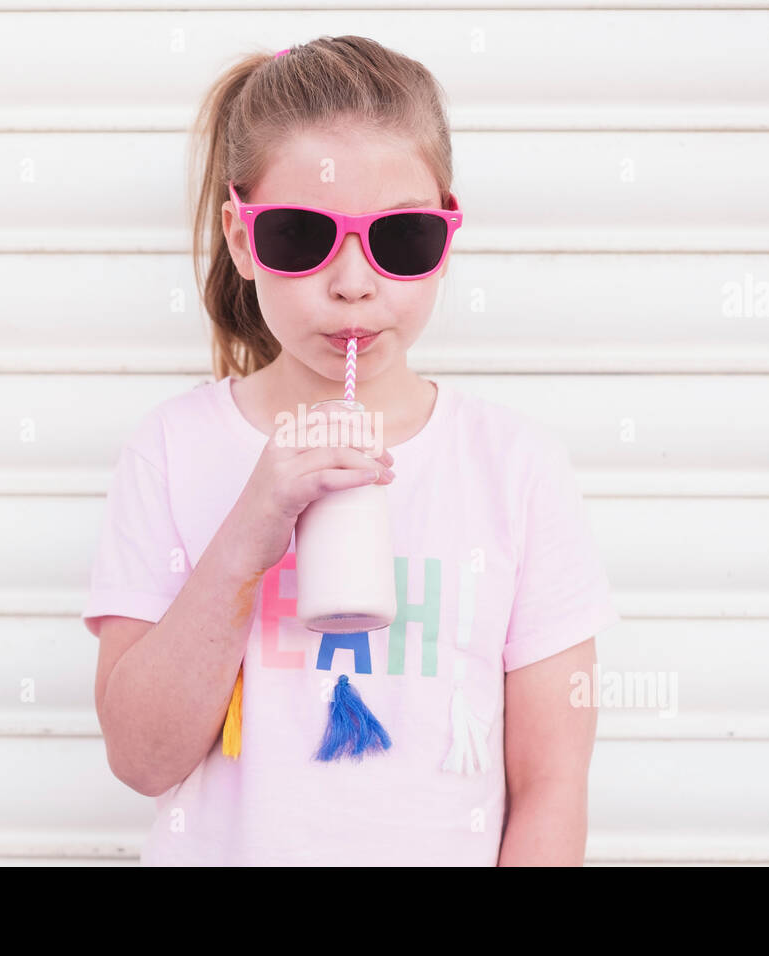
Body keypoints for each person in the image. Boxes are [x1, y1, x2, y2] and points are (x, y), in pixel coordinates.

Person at [83, 35, 621, 865]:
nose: (354, 282)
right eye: (302, 237)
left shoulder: (515, 468)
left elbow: (552, 786)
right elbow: (142, 759)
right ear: (240, 237)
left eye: (399, 239)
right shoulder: (173, 449)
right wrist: (246, 538)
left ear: (446, 234)